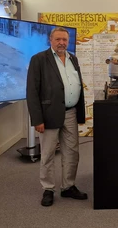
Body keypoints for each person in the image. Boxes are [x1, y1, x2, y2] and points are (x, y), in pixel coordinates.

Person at [26, 27, 88, 207]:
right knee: (47, 154)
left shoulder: (72, 59)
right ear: (50, 40)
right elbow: (32, 91)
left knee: (72, 152)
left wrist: (80, 114)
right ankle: (48, 189)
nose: (62, 43)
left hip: (70, 113)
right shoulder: (39, 59)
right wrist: (37, 119)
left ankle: (68, 186)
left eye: (65, 40)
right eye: (58, 39)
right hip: (48, 115)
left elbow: (76, 86)